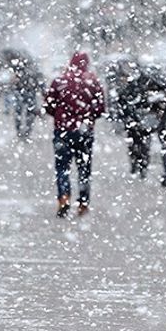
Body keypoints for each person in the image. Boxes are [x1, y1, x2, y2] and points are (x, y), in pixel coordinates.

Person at [44, 51, 105, 217]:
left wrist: (60, 116)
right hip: (84, 132)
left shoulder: (60, 81)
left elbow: (49, 105)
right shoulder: (92, 82)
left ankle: (63, 197)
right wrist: (87, 117)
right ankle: (83, 203)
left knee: (62, 167)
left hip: (63, 130)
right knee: (84, 168)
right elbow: (100, 108)